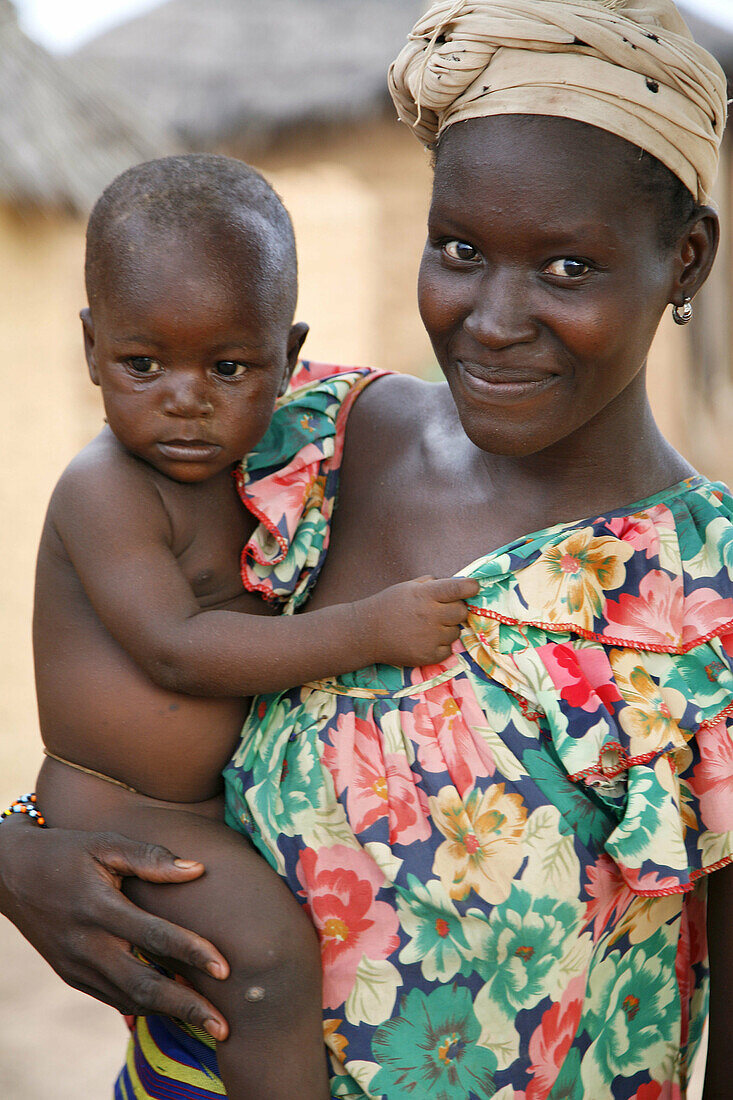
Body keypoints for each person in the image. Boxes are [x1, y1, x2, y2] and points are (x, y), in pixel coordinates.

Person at [2, 0, 732, 1097]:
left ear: (685, 258)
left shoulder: (703, 602)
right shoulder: (296, 439)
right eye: (460, 250)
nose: (493, 317)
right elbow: (130, 669)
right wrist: (17, 849)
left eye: (568, 268)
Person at [25, 153, 478, 1100]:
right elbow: (177, 650)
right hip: (120, 809)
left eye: (227, 367)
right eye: (141, 363)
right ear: (90, 348)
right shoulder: (104, 488)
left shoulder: (278, 468)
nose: (184, 398)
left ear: (286, 357)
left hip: (204, 809)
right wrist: (367, 630)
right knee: (266, 962)